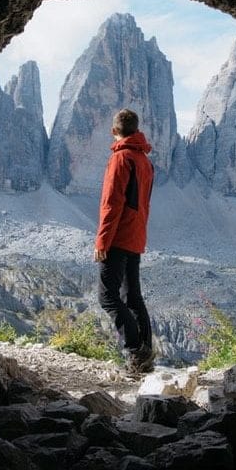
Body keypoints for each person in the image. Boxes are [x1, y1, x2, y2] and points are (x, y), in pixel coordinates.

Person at [94, 108, 156, 375]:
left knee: (107, 297)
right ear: (136, 129)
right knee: (132, 297)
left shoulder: (121, 158)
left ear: (114, 131)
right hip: (136, 235)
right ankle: (146, 357)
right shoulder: (144, 160)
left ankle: (136, 351)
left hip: (118, 237)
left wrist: (102, 241)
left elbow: (112, 203)